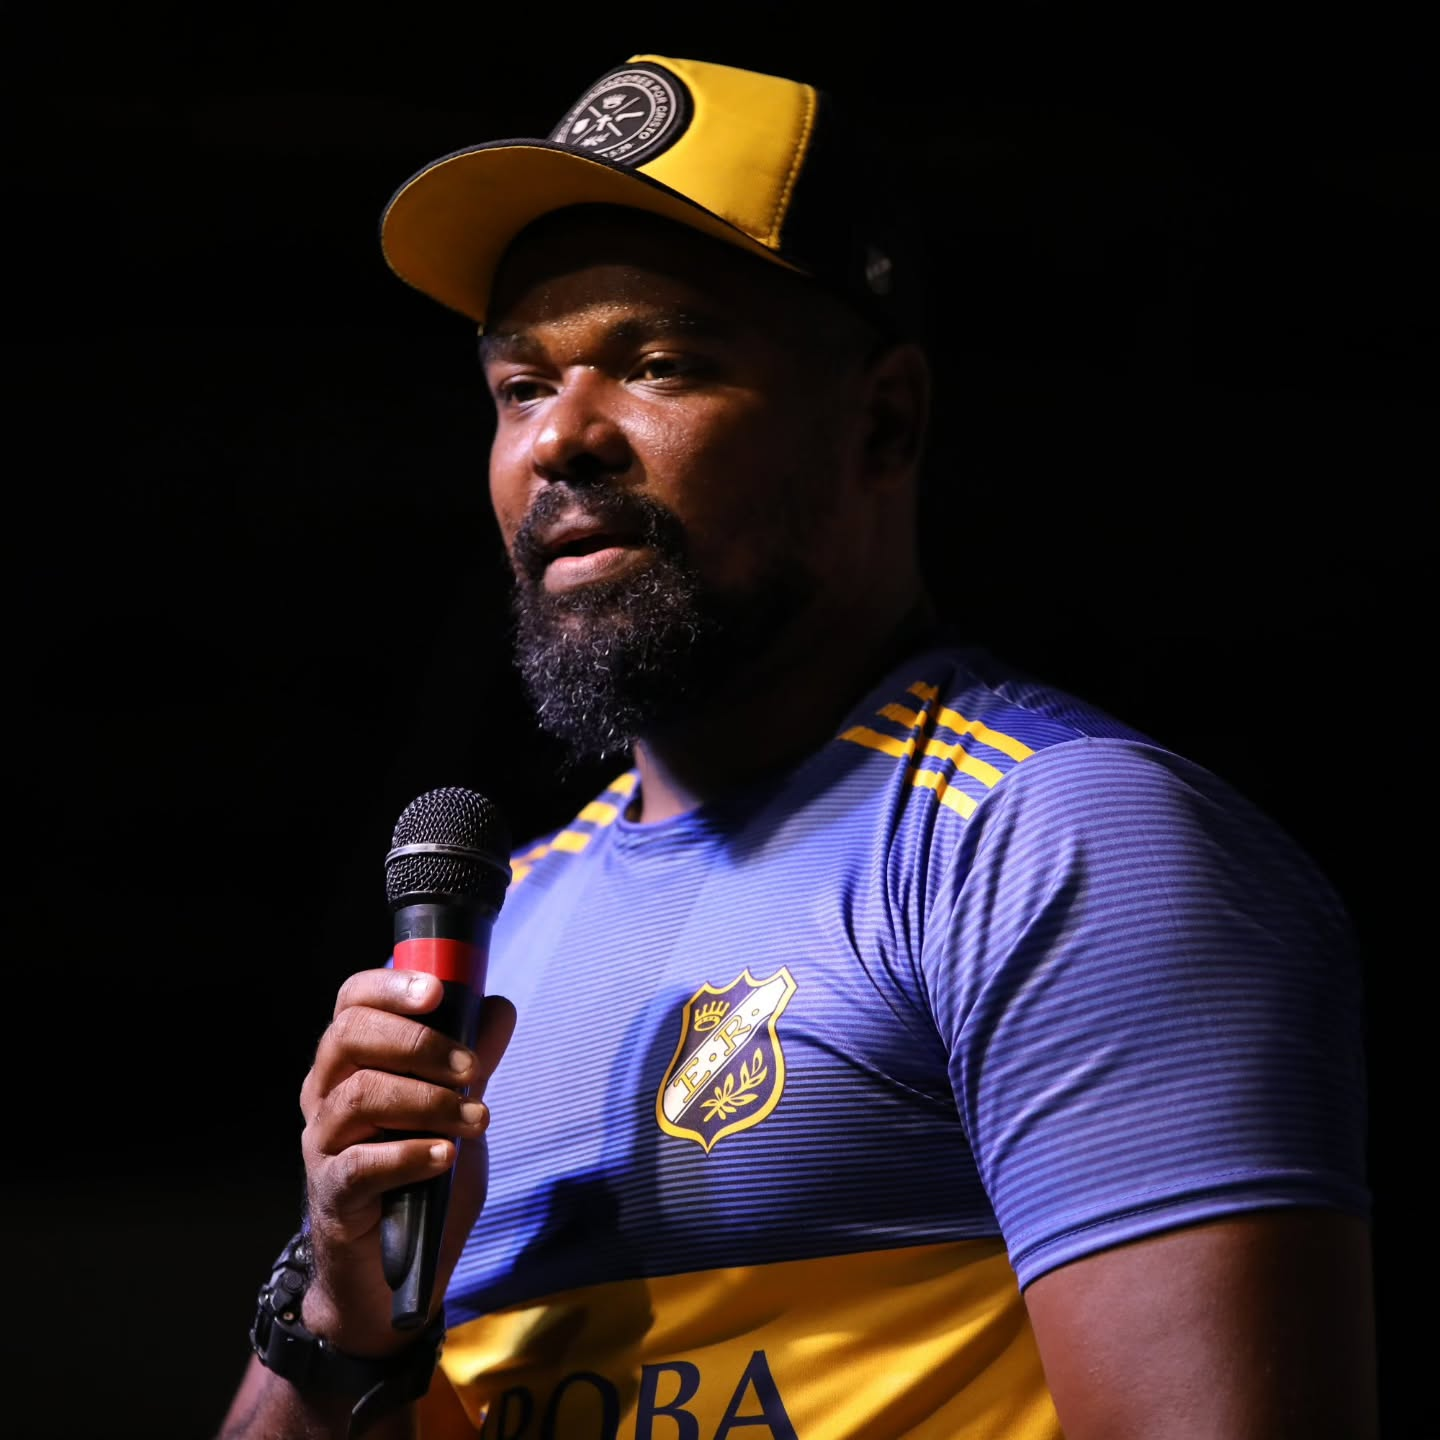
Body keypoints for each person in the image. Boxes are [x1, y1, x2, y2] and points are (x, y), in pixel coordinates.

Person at [217, 52, 1377, 1440]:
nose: (562, 437)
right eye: (520, 385)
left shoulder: (1054, 845)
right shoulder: (499, 925)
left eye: (659, 364)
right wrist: (346, 1322)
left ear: (883, 420)